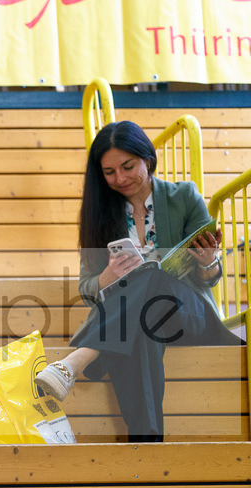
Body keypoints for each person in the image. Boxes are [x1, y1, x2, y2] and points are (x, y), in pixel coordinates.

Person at [35, 121, 242, 441]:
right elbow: (87, 287)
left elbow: (212, 278)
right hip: (139, 323)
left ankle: (76, 361)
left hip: (189, 314)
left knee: (151, 277)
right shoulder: (100, 214)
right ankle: (147, 447)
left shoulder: (184, 197)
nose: (120, 178)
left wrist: (208, 262)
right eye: (109, 172)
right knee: (143, 325)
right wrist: (107, 277)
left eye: (128, 166)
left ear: (147, 158)